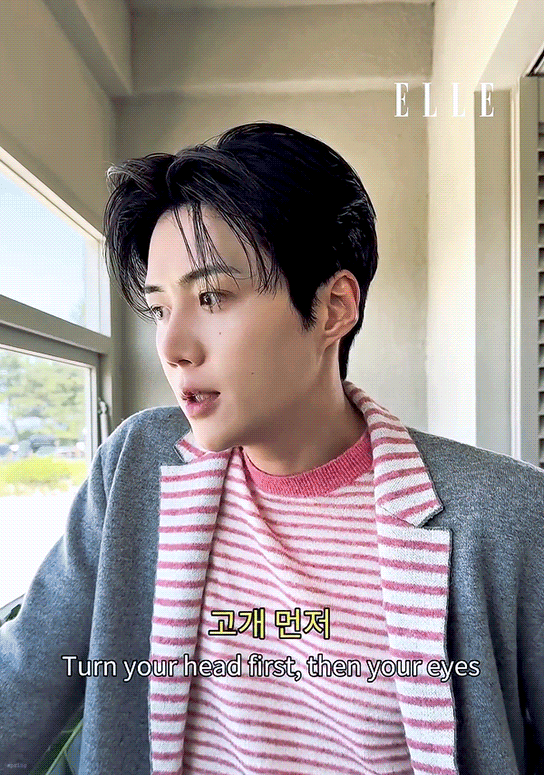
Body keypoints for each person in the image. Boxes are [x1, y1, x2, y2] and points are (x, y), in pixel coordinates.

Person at [1, 121, 543, 775]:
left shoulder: (506, 514)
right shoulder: (136, 465)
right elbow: (24, 680)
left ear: (334, 307)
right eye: (160, 308)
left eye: (212, 296)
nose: (172, 347)